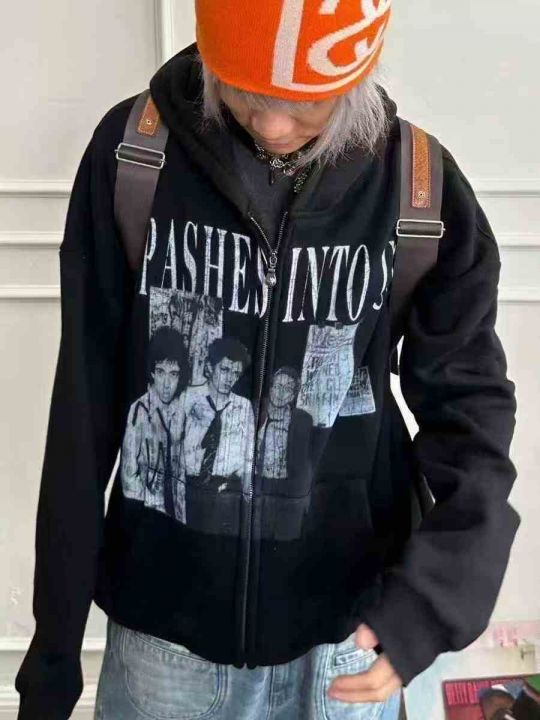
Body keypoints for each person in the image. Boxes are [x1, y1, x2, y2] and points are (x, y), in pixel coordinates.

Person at [15, 0, 521, 718]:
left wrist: (429, 606)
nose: (273, 124)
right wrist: (54, 653)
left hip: (352, 639)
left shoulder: (418, 188)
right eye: (245, 90)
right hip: (167, 641)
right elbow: (84, 404)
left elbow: (469, 411)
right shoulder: (136, 155)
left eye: (306, 103)